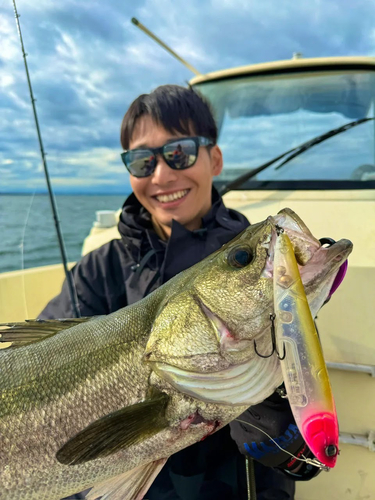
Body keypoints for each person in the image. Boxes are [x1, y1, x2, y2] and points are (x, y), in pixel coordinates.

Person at [40, 85, 321, 499]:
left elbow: (308, 459)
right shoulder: (97, 272)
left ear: (215, 158)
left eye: (180, 153)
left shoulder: (263, 275)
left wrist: (286, 437)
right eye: (142, 160)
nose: (162, 175)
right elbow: (41, 376)